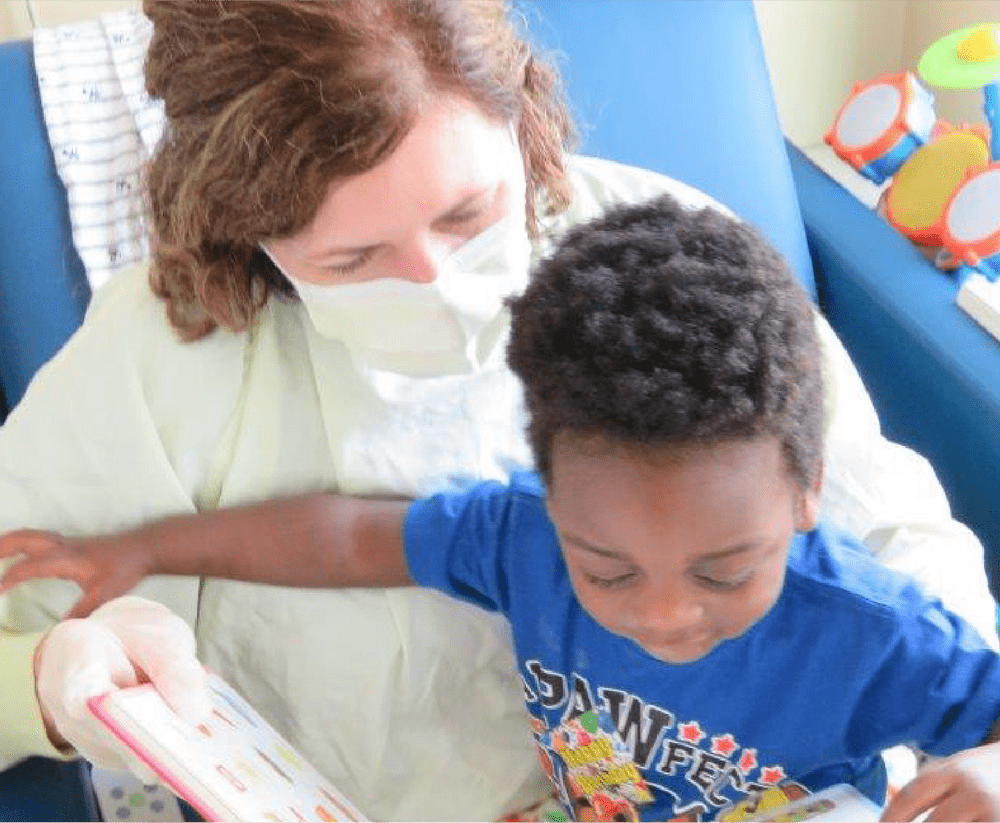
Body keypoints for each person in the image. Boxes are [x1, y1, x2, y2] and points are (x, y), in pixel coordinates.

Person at [0, 0, 995, 819]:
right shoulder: (161, 353)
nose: (433, 280)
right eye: (351, 260)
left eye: (468, 215)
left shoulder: (668, 264)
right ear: (246, 233)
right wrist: (47, 676)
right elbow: (345, 539)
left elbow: (893, 540)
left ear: (522, 123)